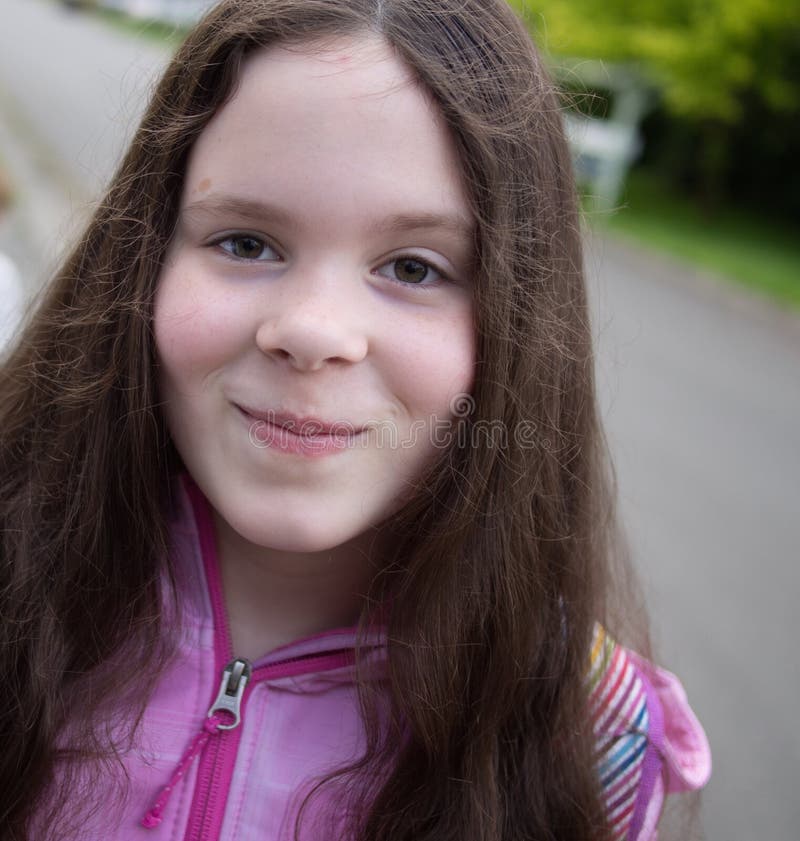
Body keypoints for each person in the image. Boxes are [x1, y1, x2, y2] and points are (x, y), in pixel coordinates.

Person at [0, 1, 711, 839]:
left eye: (413, 266)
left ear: (518, 326)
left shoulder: (587, 739)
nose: (312, 330)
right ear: (144, 260)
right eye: (245, 242)